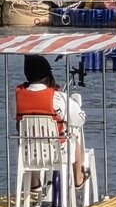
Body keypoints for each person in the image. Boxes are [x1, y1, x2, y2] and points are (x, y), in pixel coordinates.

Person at [15, 54, 87, 192]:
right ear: (47, 75)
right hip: (57, 152)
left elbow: (14, 115)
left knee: (30, 138)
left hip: (28, 152)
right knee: (74, 138)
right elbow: (79, 119)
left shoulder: (18, 97)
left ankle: (34, 182)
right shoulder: (56, 97)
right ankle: (78, 176)